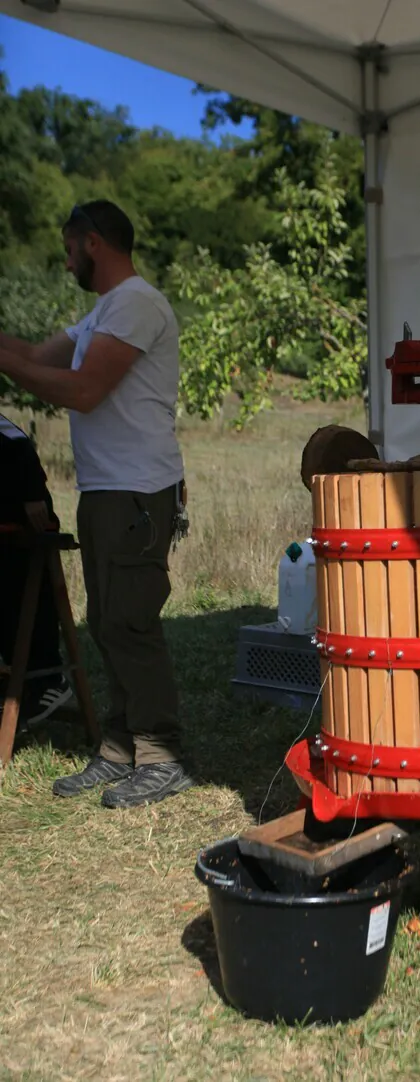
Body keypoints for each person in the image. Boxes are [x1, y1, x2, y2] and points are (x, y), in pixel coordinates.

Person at [0, 200, 192, 808]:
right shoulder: (103, 313)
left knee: (131, 623)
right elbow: (33, 356)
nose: (64, 262)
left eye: (67, 249)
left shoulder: (136, 303)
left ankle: (162, 754)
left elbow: (83, 392)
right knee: (108, 622)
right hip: (109, 489)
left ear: (92, 243)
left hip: (136, 490)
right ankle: (120, 747)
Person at [0, 413, 73, 727]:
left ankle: (48, 679)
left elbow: (14, 437)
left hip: (22, 525)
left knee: (26, 593)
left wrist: (31, 490)